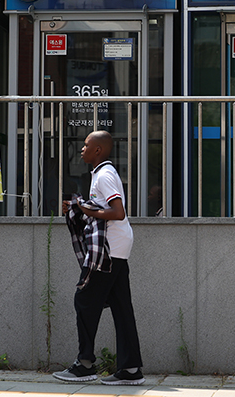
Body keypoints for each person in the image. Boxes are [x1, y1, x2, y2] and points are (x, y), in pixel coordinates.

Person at [53, 130, 144, 386]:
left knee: (84, 299)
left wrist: (82, 208)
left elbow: (117, 212)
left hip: (108, 249)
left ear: (98, 151)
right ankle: (131, 369)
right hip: (118, 248)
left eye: (86, 145)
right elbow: (101, 209)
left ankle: (84, 364)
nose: (81, 149)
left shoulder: (104, 175)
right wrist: (78, 207)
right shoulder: (103, 174)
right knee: (121, 308)